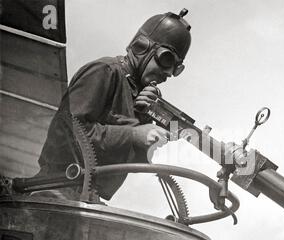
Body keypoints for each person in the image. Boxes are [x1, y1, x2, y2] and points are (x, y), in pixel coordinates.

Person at [35, 9, 192, 201]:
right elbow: (65, 131)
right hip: (56, 190)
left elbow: (120, 158)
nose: (168, 73)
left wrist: (144, 126)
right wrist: (133, 134)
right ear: (142, 46)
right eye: (166, 60)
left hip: (86, 196)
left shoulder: (136, 95)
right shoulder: (104, 71)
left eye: (176, 68)